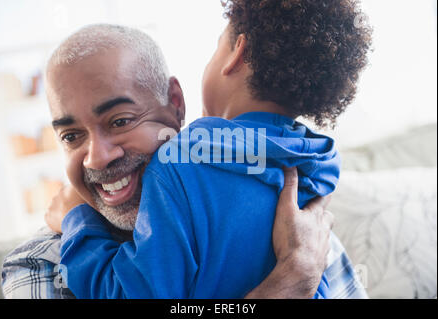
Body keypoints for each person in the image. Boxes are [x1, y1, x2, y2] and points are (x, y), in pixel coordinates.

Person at [46, 0, 371, 299]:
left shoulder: (180, 162)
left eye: (120, 121)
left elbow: (130, 292)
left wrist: (77, 222)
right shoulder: (315, 168)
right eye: (72, 136)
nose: (97, 157)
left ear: (236, 54)